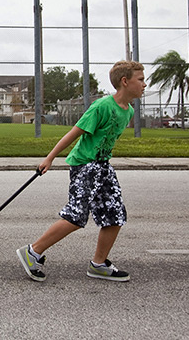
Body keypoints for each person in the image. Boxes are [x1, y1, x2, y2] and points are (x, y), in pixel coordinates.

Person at [16, 60, 146, 282]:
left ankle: (98, 264)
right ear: (125, 81)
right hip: (84, 165)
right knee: (76, 216)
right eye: (141, 79)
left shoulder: (128, 110)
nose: (145, 84)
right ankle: (32, 252)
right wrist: (50, 158)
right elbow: (74, 133)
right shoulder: (101, 107)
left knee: (115, 215)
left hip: (103, 166)